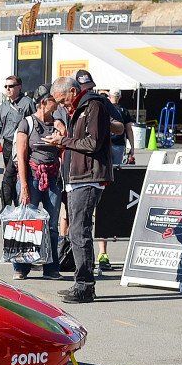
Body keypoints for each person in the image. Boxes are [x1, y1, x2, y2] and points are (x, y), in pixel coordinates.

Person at [56, 71, 114, 304]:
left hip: (88, 177)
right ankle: (81, 282)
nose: (62, 105)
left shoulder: (93, 106)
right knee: (76, 230)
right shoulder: (79, 108)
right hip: (77, 177)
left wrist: (63, 141)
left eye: (63, 100)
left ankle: (85, 285)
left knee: (79, 230)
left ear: (72, 91)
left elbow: (92, 143)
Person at [13, 92, 66, 279]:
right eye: (54, 103)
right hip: (32, 177)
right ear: (44, 103)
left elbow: (65, 149)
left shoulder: (58, 123)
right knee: (27, 222)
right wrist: (25, 185)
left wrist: (62, 130)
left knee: (52, 225)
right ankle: (21, 268)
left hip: (52, 179)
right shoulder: (27, 123)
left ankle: (51, 268)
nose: (58, 106)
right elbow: (21, 155)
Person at [0, 75, 34, 222]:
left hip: (21, 145)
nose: (8, 89)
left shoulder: (27, 104)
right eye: (6, 87)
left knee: (9, 178)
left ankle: (6, 211)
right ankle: (12, 209)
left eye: (11, 86)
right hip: (8, 144)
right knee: (11, 178)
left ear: (19, 87)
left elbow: (34, 122)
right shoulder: (4, 106)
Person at [97, 90, 133, 273]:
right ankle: (100, 253)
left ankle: (108, 253)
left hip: (116, 149)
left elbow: (125, 129)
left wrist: (131, 148)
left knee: (111, 203)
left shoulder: (120, 112)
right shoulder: (92, 112)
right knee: (100, 207)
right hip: (97, 162)